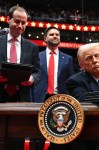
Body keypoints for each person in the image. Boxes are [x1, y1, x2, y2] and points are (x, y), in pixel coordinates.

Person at [0, 5, 41, 150]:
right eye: (17, 21)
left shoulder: (32, 47)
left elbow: (38, 72)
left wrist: (32, 79)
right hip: (1, 93)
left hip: (21, 96)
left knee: (16, 138)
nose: (20, 26)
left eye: (23, 23)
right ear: (8, 20)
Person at [34, 26, 74, 102]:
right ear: (45, 38)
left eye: (57, 35)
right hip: (40, 97)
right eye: (52, 34)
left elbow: (71, 81)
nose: (55, 36)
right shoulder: (37, 57)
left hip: (61, 98)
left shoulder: (68, 59)